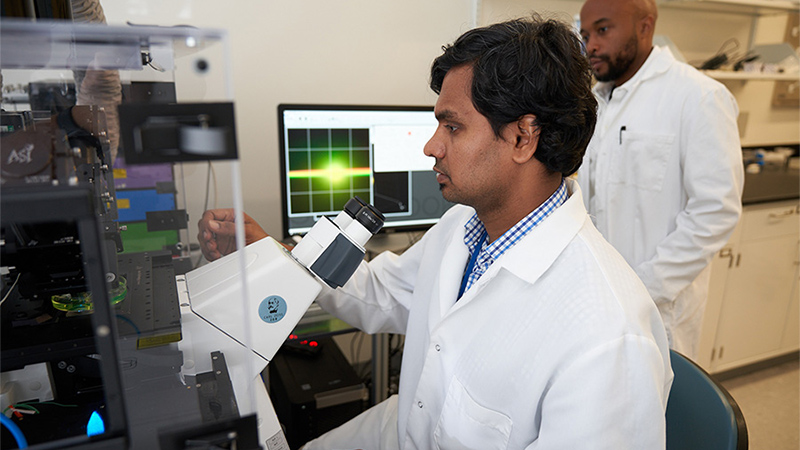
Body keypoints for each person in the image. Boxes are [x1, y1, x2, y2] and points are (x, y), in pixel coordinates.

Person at [199, 15, 672, 449]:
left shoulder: (607, 338)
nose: (431, 146)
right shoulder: (464, 228)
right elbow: (382, 293)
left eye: (452, 127)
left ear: (523, 138)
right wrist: (275, 251)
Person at [577, 0, 744, 358]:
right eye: (585, 34)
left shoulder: (698, 97)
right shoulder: (596, 102)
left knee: (659, 407)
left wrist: (643, 288)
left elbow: (715, 212)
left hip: (659, 308)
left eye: (603, 30)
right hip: (599, 298)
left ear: (644, 26)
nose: (590, 45)